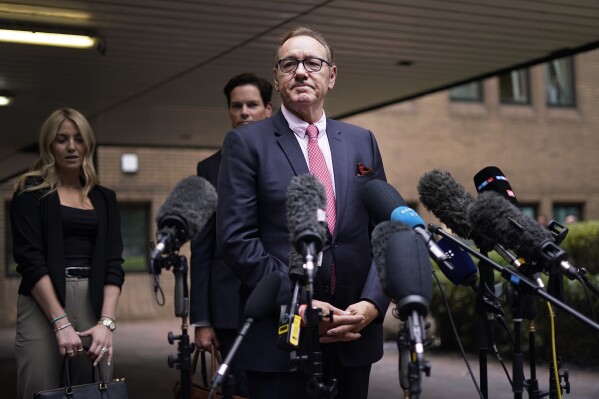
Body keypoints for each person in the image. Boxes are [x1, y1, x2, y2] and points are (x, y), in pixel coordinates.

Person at [216, 27, 389, 399]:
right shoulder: (246, 143)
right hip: (282, 339)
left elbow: (385, 232)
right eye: (289, 63)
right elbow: (236, 240)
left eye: (313, 62)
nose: (300, 71)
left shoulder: (362, 141)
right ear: (277, 79)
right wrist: (301, 303)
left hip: (352, 335)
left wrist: (373, 303)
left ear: (332, 75)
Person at [10, 108, 125, 399]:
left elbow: (114, 263)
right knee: (41, 389)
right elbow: (30, 260)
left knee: (94, 390)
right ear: (49, 145)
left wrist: (106, 323)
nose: (71, 147)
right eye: (62, 139)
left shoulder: (105, 198)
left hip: (93, 301)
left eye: (78, 139)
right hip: (43, 302)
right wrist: (60, 322)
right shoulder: (30, 191)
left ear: (88, 144)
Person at [189, 73, 273, 396]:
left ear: (268, 109)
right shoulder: (208, 168)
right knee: (237, 390)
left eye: (252, 105)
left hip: (276, 300)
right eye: (236, 106)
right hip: (226, 309)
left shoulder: (287, 160)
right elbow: (201, 247)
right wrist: (202, 320)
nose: (244, 112)